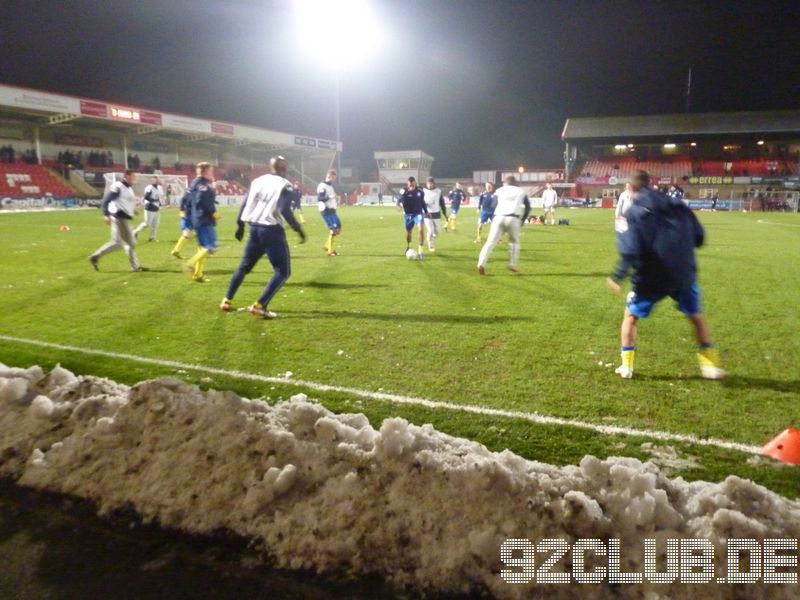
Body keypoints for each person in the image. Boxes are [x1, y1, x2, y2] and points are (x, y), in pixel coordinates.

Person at [606, 170, 725, 380]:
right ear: (650, 183)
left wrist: (618, 276)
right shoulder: (678, 204)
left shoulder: (633, 211)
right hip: (684, 273)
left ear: (630, 188)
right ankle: (711, 365)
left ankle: (626, 367)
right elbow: (700, 237)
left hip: (652, 277)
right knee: (696, 316)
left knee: (630, 317)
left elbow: (630, 250)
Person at [220, 155, 306, 319]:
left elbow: (245, 203)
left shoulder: (257, 181)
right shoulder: (285, 185)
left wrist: (240, 225)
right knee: (282, 272)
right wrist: (298, 229)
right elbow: (285, 210)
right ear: (284, 169)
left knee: (243, 267)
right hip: (272, 231)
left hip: (254, 229)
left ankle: (227, 300)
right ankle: (260, 305)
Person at [88, 169, 148, 272]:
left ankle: (95, 256)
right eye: (133, 176)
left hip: (121, 218)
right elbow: (106, 200)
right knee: (131, 242)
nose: (135, 178)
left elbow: (124, 202)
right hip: (120, 218)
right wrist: (106, 215)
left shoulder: (129, 189)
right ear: (127, 176)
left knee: (117, 243)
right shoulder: (118, 186)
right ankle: (135, 266)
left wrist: (133, 210)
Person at [476, 175, 530, 275]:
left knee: (490, 242)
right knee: (514, 243)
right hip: (513, 218)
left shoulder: (500, 190)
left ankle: (481, 264)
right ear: (515, 183)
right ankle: (512, 264)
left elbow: (493, 205)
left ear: (506, 183)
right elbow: (528, 207)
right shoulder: (520, 191)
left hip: (498, 217)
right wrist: (522, 220)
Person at [184, 163, 219, 283]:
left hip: (196, 219)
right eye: (211, 171)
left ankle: (198, 275)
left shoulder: (193, 184)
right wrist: (214, 213)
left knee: (202, 249)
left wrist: (188, 220)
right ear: (205, 172)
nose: (212, 174)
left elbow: (187, 202)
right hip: (204, 219)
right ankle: (191, 263)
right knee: (211, 246)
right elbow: (203, 201)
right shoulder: (202, 186)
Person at [396, 176, 429, 257]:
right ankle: (408, 247)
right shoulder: (404, 191)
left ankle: (421, 251)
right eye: (409, 184)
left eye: (412, 184)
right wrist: (398, 205)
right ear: (408, 184)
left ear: (415, 183)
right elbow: (399, 200)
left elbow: (423, 202)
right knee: (409, 232)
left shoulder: (420, 191)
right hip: (408, 214)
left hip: (418, 214)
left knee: (421, 230)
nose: (411, 186)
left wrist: (426, 211)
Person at [317, 170, 341, 256]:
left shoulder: (330, 186)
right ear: (329, 176)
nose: (334, 180)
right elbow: (320, 198)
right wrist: (330, 197)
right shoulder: (322, 186)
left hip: (332, 210)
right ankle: (330, 251)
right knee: (334, 229)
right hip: (326, 210)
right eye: (333, 178)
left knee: (338, 228)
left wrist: (335, 199)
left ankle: (327, 246)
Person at [133, 177, 162, 241]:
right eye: (155, 180)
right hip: (150, 207)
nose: (157, 181)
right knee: (147, 224)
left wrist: (159, 203)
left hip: (156, 208)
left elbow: (157, 197)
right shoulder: (149, 188)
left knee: (156, 224)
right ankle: (134, 232)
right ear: (152, 181)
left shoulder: (158, 188)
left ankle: (152, 238)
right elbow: (146, 197)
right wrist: (154, 200)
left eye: (157, 180)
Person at [422, 176, 447, 252]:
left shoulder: (438, 191)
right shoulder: (423, 191)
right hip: (427, 214)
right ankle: (431, 245)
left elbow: (442, 202)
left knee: (438, 232)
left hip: (436, 214)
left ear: (433, 184)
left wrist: (445, 213)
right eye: (428, 183)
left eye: (431, 183)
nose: (430, 185)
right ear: (426, 184)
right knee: (430, 231)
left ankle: (432, 238)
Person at [170, 185, 195, 259]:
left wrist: (182, 213)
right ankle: (176, 250)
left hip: (187, 217)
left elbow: (182, 204)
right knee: (187, 235)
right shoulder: (191, 195)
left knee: (189, 234)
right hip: (188, 217)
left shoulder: (186, 195)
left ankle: (176, 250)